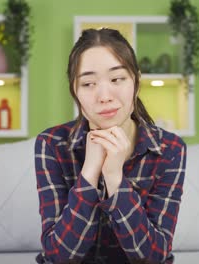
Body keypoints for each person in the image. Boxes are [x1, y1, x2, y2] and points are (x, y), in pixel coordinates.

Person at [34, 28, 186, 264]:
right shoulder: (52, 144)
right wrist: (90, 172)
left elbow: (154, 255)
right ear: (74, 91)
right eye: (88, 83)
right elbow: (59, 256)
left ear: (136, 81)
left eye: (117, 79)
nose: (104, 96)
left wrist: (115, 178)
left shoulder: (170, 149)